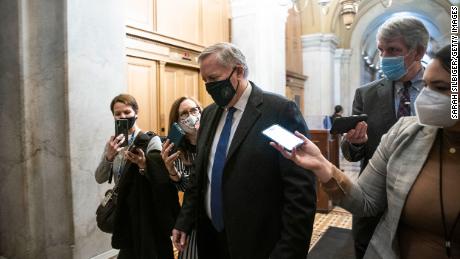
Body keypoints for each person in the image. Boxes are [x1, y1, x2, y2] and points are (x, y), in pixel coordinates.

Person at [272, 44, 459, 259]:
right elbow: (366, 201)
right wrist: (322, 165)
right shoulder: (405, 133)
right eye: (425, 85)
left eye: (441, 87)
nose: (427, 96)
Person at [172, 42, 316, 259]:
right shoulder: (210, 114)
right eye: (205, 81)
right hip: (211, 238)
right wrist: (184, 220)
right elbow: (200, 178)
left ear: (238, 71)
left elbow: (300, 192)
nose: (209, 87)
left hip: (258, 244)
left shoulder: (278, 111)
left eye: (213, 79)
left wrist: (289, 253)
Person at [341, 16, 429, 258]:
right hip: (374, 201)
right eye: (381, 50)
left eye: (394, 50)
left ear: (418, 51)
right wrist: (354, 142)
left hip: (424, 201)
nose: (385, 57)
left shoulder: (444, 89)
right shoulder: (366, 94)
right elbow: (351, 152)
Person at [95, 94, 179, 259]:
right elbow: (100, 177)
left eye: (127, 112)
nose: (123, 117)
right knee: (129, 250)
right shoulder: (113, 144)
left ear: (136, 113)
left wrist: (143, 164)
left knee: (150, 251)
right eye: (118, 114)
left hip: (146, 209)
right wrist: (109, 157)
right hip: (124, 210)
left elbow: (160, 179)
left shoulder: (149, 140)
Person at [161, 96, 202, 259]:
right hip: (192, 213)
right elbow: (184, 186)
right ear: (177, 121)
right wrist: (171, 170)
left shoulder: (212, 139)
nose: (190, 116)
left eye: (193, 110)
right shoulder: (177, 149)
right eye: (184, 114)